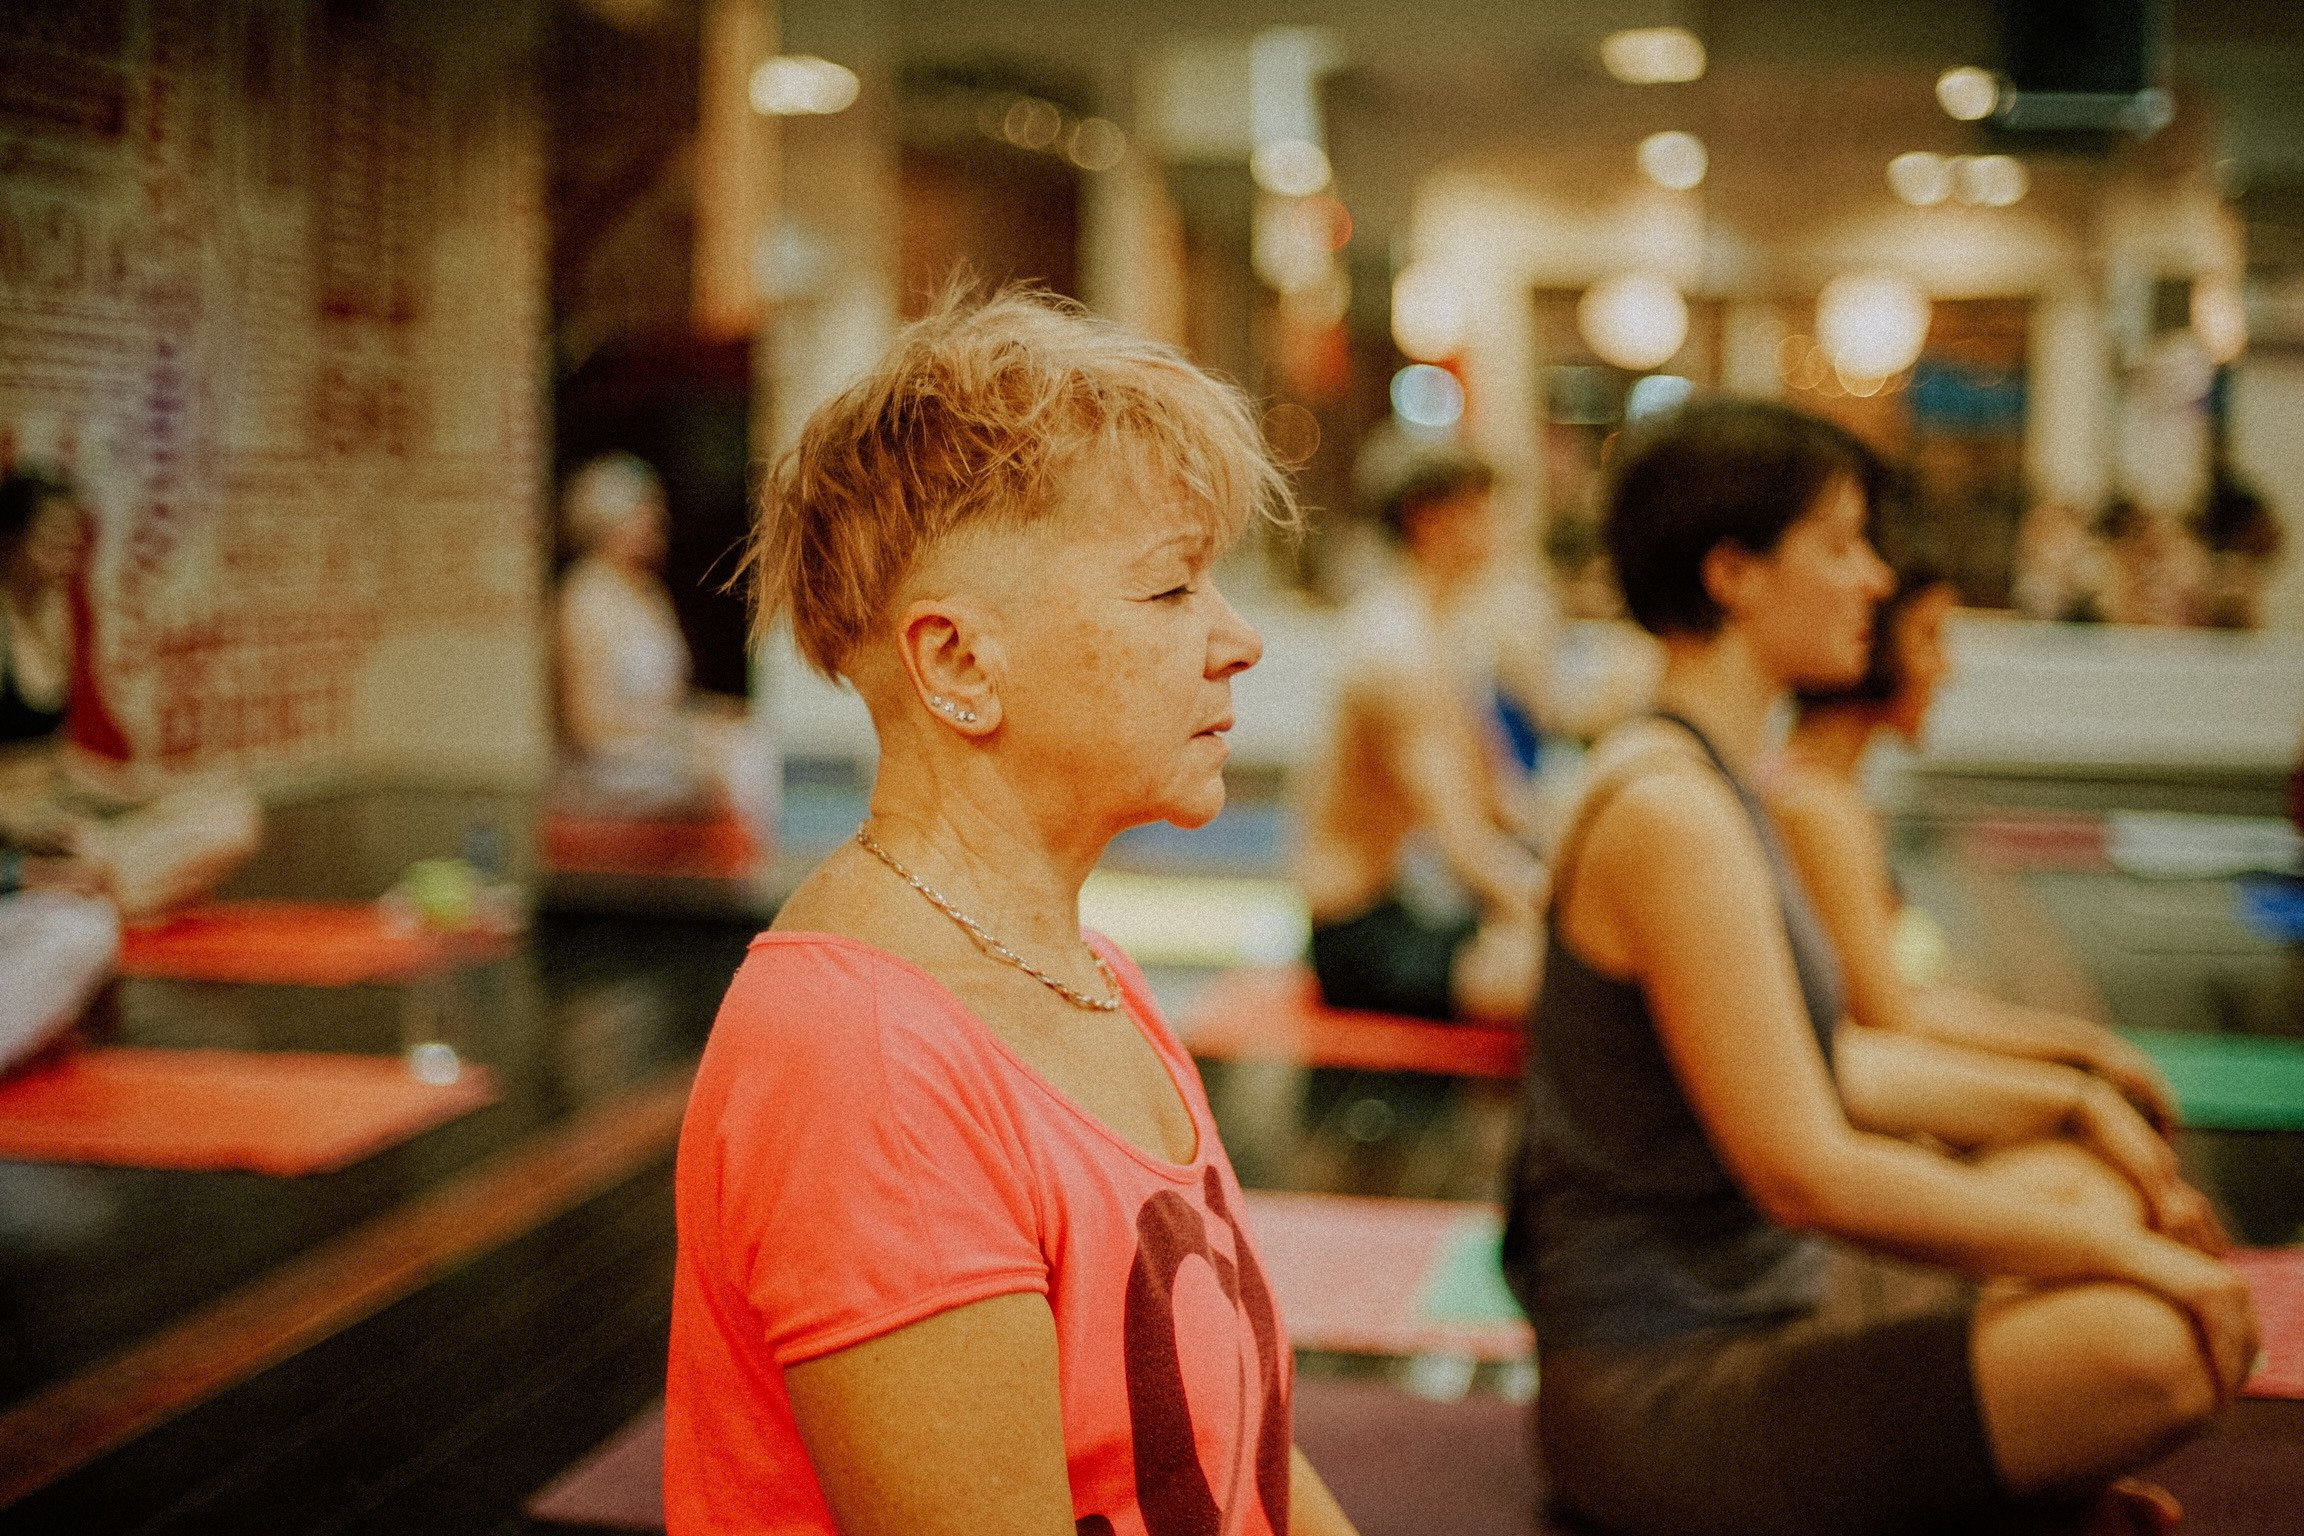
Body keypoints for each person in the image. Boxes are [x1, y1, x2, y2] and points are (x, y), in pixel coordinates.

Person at [665, 291, 1359, 1536]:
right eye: (1169, 592)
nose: (1238, 639)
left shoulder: (1090, 972)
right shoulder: (865, 1063)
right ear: (959, 666)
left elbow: (1245, 1461)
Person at [1501, 399, 2255, 1536]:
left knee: (2079, 1178)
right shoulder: (1671, 813)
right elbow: (1805, 1171)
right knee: (2151, 1346)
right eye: (1843, 544)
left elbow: (1827, 1060)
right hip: (1664, 1399)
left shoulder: (1712, 779)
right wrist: (2137, 1262)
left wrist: (2072, 1097)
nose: (1873, 580)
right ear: (1734, 573)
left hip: (1775, 1313)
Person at [1767, 557, 2186, 1137]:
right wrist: (2080, 1063)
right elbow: (1892, 1018)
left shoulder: (1834, 796)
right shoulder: (1812, 804)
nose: (1947, 668)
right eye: (1929, 636)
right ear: (1871, 637)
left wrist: (2080, 1050)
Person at [1292, 446, 1547, 1024]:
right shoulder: (1394, 646)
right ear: (1430, 520)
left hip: (1403, 908)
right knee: (1561, 985)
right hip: (1355, 933)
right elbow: (1463, 846)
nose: (1503, 529)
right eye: (1486, 511)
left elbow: (1506, 802)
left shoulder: (1443, 633)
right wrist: (1558, 920)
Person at [0, 470, 259, 920]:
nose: (66, 556)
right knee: (96, 853)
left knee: (230, 812)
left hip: (65, 817)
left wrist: (141, 791)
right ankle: (80, 894)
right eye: (51, 540)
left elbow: (59, 762)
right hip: (22, 836)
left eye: (72, 542)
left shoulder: (58, 617)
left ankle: (97, 896)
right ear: (9, 540)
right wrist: (22, 830)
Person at [553, 452, 768, 823]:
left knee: (749, 739)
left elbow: (674, 698)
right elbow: (585, 723)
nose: (659, 526)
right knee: (734, 763)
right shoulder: (583, 597)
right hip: (608, 762)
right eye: (645, 517)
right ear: (609, 524)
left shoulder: (651, 594)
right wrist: (682, 736)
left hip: (661, 745)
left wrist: (713, 716)